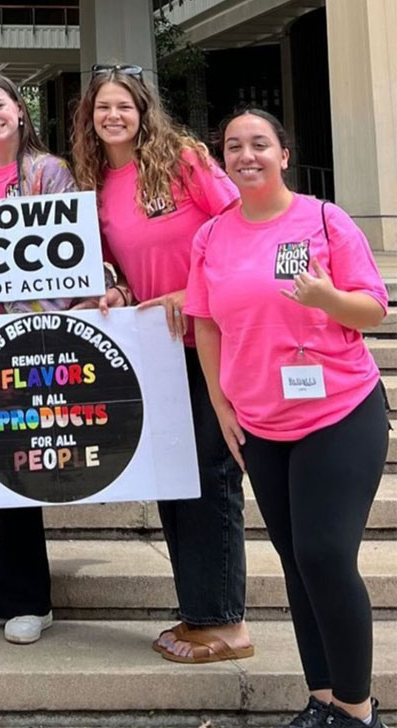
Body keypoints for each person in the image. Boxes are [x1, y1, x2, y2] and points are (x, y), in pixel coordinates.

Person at [187, 108, 389, 728]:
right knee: (298, 562)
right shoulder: (213, 235)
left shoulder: (324, 220)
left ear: (284, 152)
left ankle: (357, 712)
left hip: (339, 410)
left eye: (259, 144)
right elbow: (206, 321)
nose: (246, 155)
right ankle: (322, 699)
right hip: (261, 422)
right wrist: (222, 406)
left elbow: (372, 310)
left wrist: (327, 298)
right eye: (233, 146)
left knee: (326, 555)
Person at [0, 72, 127, 642]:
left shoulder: (53, 173)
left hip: (32, 340)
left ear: (20, 110)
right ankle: (5, 594)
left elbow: (77, 251)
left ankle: (30, 598)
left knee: (21, 465)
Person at [70, 65, 251, 663]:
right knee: (179, 482)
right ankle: (200, 612)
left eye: (123, 105)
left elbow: (238, 229)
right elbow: (124, 265)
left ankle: (226, 624)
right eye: (102, 109)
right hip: (157, 348)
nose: (113, 116)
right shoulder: (97, 182)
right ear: (90, 119)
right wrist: (120, 291)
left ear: (143, 110)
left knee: (212, 480)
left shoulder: (186, 159)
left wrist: (189, 293)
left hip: (212, 340)